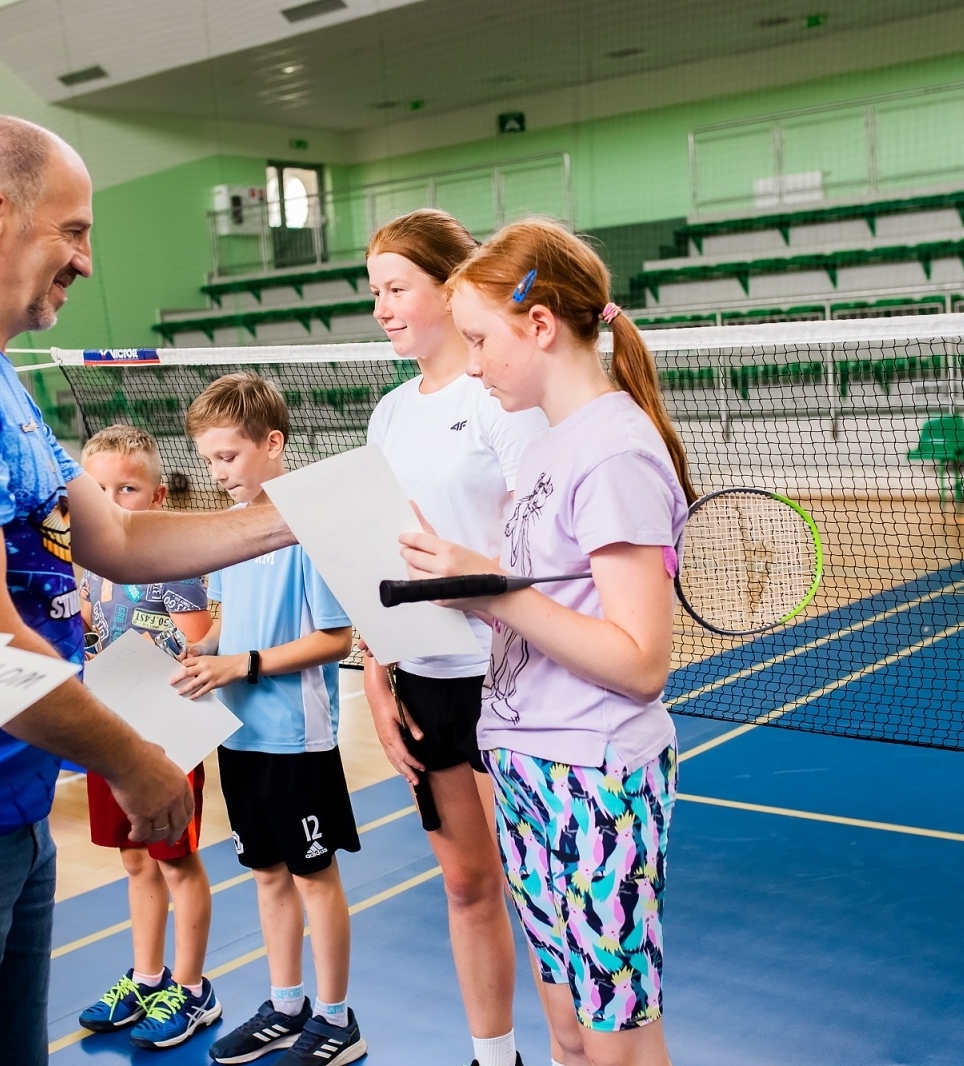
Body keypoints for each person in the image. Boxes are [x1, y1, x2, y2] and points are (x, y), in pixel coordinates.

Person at [0, 115, 295, 1066]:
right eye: (71, 232)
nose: (83, 259)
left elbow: (113, 538)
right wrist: (136, 760)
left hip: (2, 806)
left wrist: (304, 514)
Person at [398, 218, 694, 1066]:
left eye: (482, 340)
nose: (475, 363)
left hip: (595, 776)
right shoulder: (548, 451)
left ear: (539, 325)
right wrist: (471, 586)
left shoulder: (615, 452)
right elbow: (544, 602)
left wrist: (492, 586)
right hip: (525, 763)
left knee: (620, 1044)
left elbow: (640, 662)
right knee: (568, 1034)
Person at [362, 209, 546, 1066]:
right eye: (376, 294)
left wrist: (471, 574)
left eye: (397, 288)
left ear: (450, 285)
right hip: (425, 678)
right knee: (468, 884)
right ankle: (492, 1054)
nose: (384, 309)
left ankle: (573, 1052)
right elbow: (375, 552)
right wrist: (375, 671)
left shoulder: (503, 398)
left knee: (544, 894)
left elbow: (547, 546)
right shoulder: (389, 415)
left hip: (511, 672)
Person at [170, 373, 366, 1066]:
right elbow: (226, 622)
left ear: (272, 443)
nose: (218, 473)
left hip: (297, 739)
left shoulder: (308, 528)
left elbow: (334, 641)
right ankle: (287, 1005)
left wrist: (241, 663)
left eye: (228, 457)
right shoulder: (232, 533)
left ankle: (337, 1018)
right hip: (240, 735)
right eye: (210, 460)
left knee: (314, 876)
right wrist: (203, 653)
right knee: (267, 874)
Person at [73, 424, 222, 1051]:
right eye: (100, 488)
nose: (112, 500)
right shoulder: (83, 560)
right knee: (134, 857)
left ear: (157, 497)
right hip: (109, 724)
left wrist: (184, 660)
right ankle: (147, 976)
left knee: (176, 860)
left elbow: (200, 641)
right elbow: (90, 629)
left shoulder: (170, 565)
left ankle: (190, 990)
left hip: (167, 728)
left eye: (127, 488)